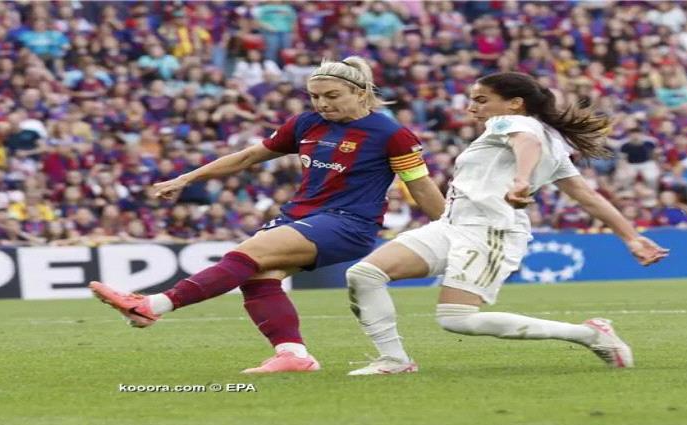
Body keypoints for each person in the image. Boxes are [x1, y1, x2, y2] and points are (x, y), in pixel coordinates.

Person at [89, 56, 446, 373]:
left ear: (360, 93)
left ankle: (151, 305)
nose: (322, 103)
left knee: (247, 254)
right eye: (315, 96)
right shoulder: (306, 124)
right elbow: (247, 157)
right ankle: (293, 354)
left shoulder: (391, 134)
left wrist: (452, 230)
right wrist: (187, 178)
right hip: (300, 215)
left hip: (349, 222)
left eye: (332, 96)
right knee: (257, 276)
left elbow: (420, 186)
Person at [346, 72, 669, 375]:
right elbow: (588, 196)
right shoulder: (551, 141)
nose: (472, 107)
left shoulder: (513, 122)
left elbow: (526, 142)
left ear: (515, 103)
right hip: (452, 224)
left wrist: (521, 179)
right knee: (365, 274)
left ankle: (589, 334)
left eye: (481, 100)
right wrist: (631, 237)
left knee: (456, 319)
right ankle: (394, 360)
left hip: (489, 231)